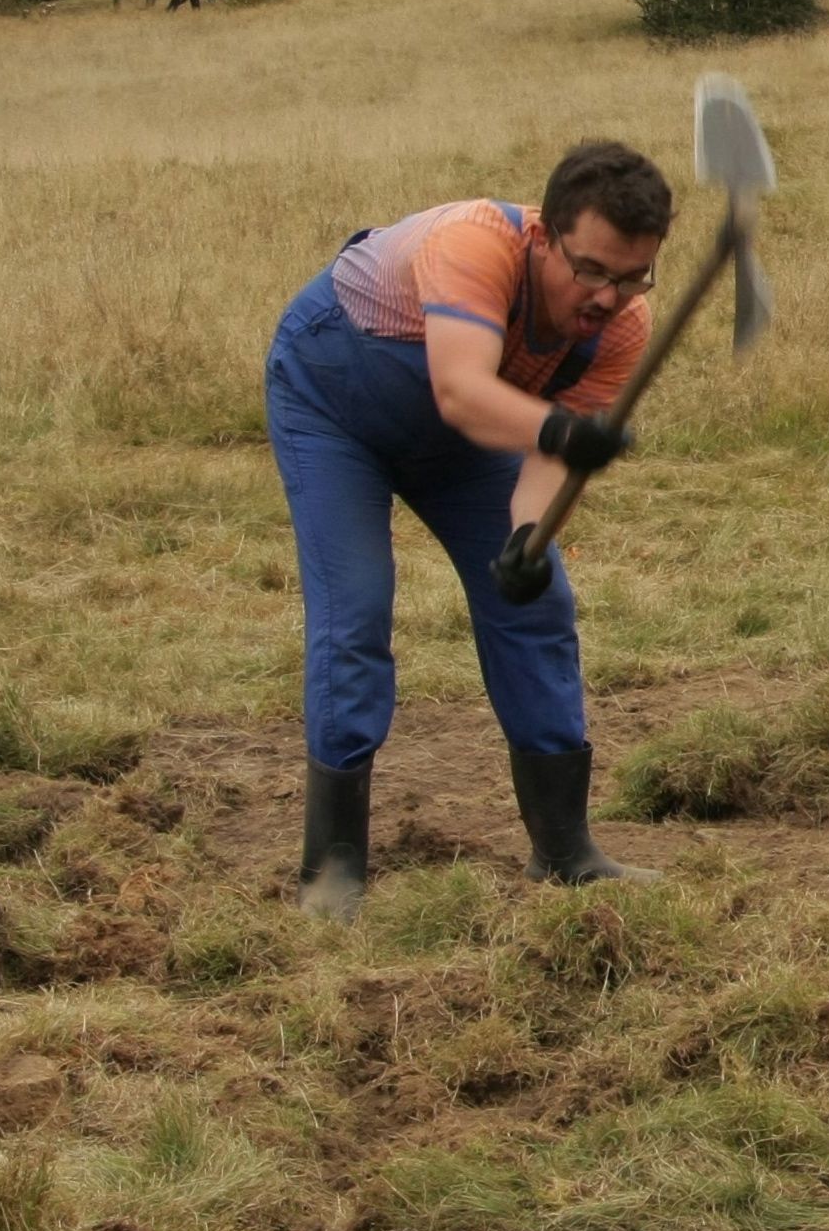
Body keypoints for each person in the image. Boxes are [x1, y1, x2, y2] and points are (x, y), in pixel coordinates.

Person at [266, 141, 672, 921]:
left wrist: (528, 535)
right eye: (590, 270)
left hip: (469, 437)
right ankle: (334, 866)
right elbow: (460, 389)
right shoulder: (473, 244)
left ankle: (565, 851)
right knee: (356, 609)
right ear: (545, 238)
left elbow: (541, 457)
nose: (608, 297)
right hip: (334, 403)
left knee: (537, 600)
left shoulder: (619, 329)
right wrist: (561, 432)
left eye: (632, 277)